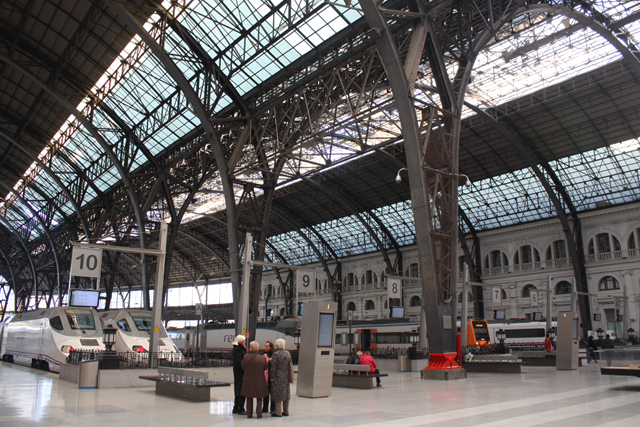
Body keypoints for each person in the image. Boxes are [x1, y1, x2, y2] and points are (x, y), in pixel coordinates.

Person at [241, 341, 269, 418]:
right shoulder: (262, 358)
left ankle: (249, 413)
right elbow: (265, 367)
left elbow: (243, 367)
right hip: (259, 380)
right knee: (259, 397)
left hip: (248, 379)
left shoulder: (245, 357)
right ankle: (259, 413)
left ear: (250, 348)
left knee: (249, 397)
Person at [269, 338, 293, 417]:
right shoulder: (287, 353)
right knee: (286, 394)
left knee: (277, 394)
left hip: (278, 376)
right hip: (286, 376)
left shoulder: (275, 354)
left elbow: (273, 367)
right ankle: (286, 411)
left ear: (277, 345)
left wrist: (272, 377)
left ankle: (278, 412)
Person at [231, 335, 247, 414]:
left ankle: (236, 407)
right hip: (240, 372)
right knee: (240, 389)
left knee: (238, 389)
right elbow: (238, 362)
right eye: (244, 341)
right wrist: (244, 366)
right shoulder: (239, 350)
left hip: (238, 372)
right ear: (240, 342)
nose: (245, 342)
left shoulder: (237, 349)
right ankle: (240, 408)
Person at [262, 340, 275, 415]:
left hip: (271, 376)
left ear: (271, 347)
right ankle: (265, 407)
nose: (266, 348)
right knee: (265, 393)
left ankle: (273, 408)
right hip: (264, 377)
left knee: (272, 393)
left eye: (267, 346)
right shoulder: (263, 355)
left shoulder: (273, 355)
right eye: (265, 346)